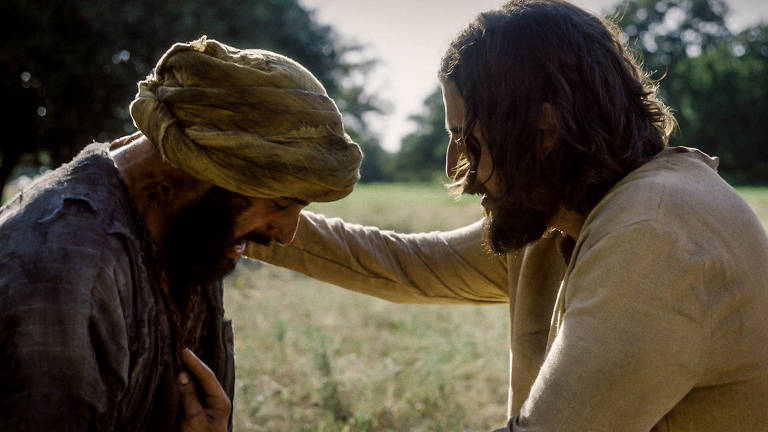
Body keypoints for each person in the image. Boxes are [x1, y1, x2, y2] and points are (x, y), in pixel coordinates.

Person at [248, 1, 768, 431]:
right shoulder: (564, 219)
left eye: (465, 138)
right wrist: (252, 213)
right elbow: (403, 263)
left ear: (544, 129)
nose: (456, 167)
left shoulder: (651, 236)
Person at [0, 37, 362, 431]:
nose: (287, 235)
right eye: (280, 204)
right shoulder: (59, 269)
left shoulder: (189, 230)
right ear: (199, 170)